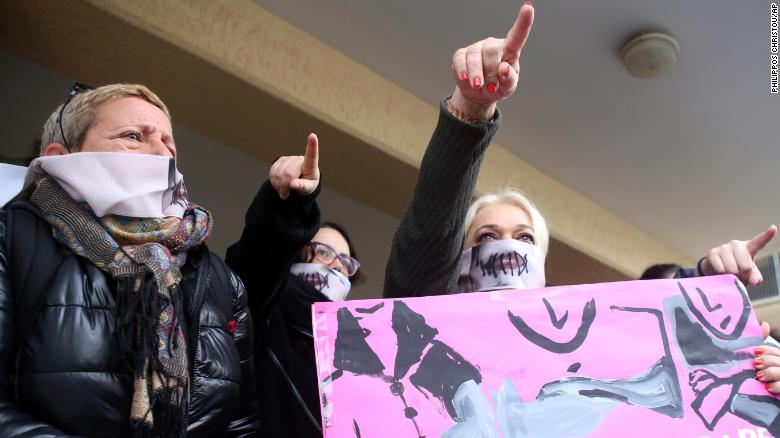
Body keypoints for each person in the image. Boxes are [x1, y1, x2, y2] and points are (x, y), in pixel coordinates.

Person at [382, 0, 780, 399]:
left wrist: (708, 288)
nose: (507, 247)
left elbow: (669, 376)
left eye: (525, 238)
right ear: (458, 255)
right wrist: (470, 109)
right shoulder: (422, 332)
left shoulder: (585, 360)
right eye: (486, 236)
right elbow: (430, 237)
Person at [0, 83, 259, 436]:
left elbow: (242, 421)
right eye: (134, 136)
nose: (161, 154)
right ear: (61, 156)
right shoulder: (12, 237)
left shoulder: (217, 276)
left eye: (169, 144)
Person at [225, 137, 360, 437]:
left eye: (346, 262)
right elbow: (260, 260)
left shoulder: (356, 348)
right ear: (297, 251)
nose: (336, 266)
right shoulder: (264, 313)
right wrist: (290, 207)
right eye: (324, 252)